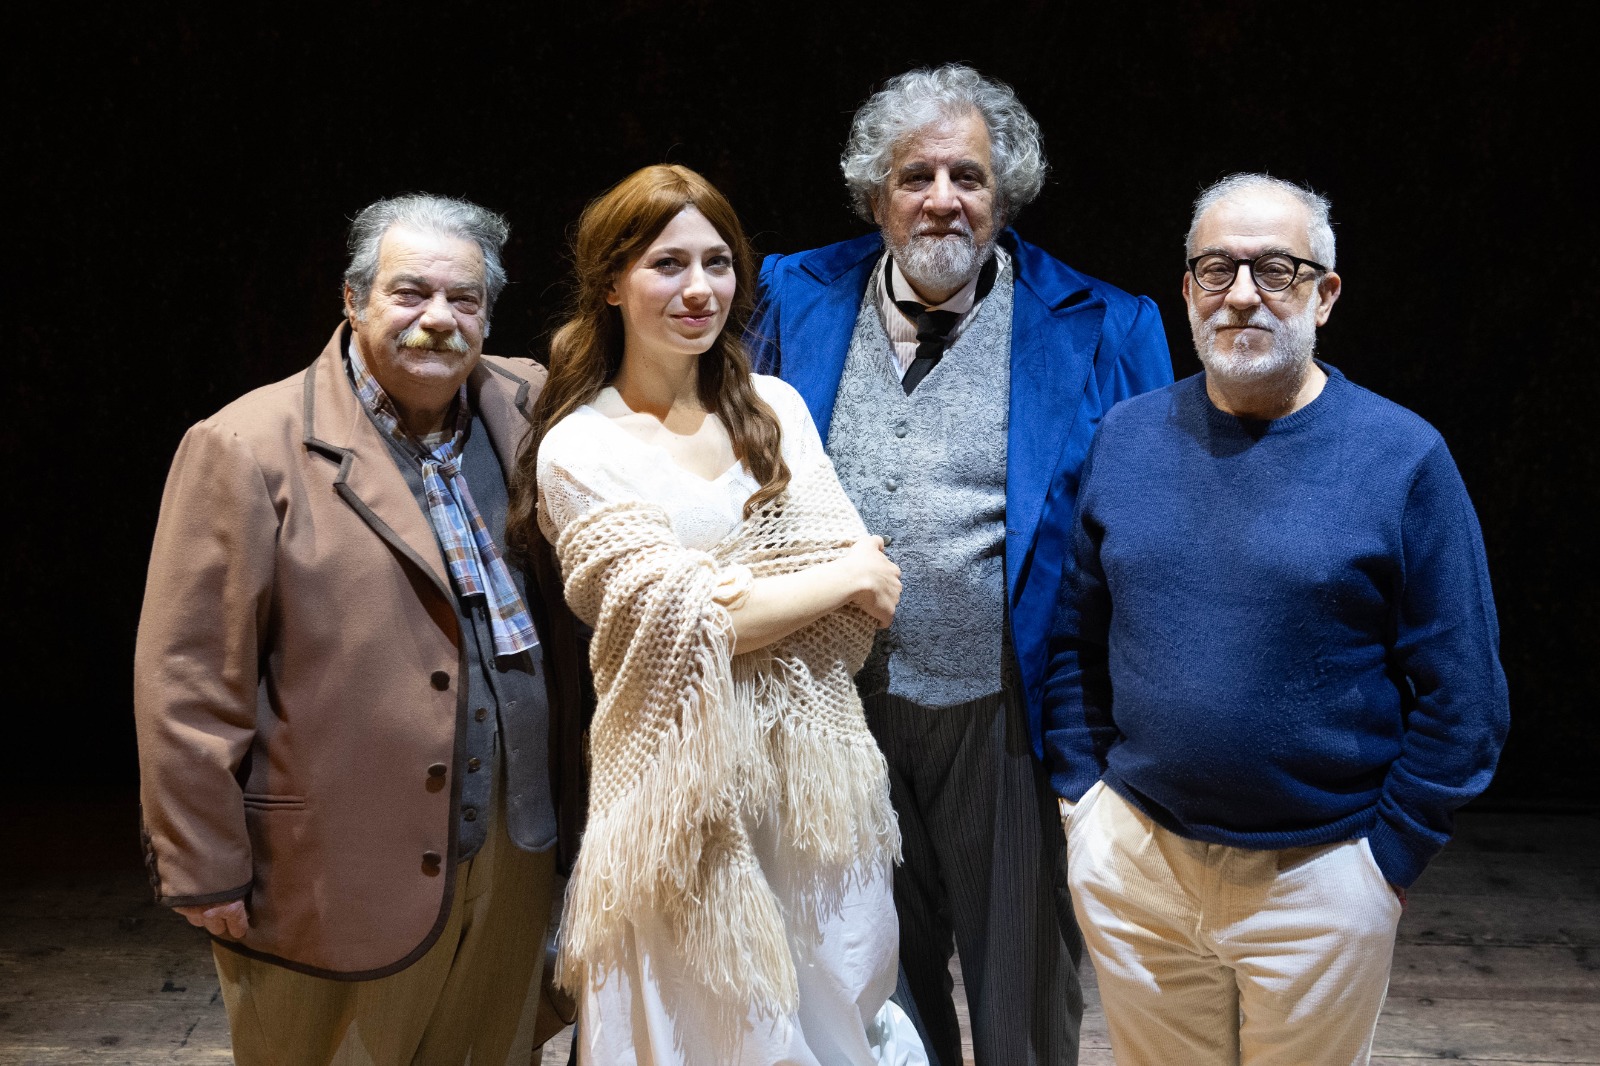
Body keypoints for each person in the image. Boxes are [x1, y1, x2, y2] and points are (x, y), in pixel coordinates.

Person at [748, 63, 1173, 1065]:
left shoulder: (1105, 324)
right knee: (865, 999)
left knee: (1022, 1002)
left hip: (1007, 721)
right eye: (917, 176)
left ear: (1003, 196)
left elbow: (1149, 543)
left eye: (968, 177)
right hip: (834, 717)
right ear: (876, 197)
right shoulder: (792, 294)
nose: (943, 199)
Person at [1045, 173, 1511, 1065]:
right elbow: (1074, 638)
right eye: (1216, 270)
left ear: (1324, 295)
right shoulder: (1127, 438)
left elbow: (1467, 698)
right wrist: (1085, 807)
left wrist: (1384, 862)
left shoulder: (1403, 457)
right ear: (1187, 291)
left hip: (1321, 879)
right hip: (1138, 864)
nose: (1242, 295)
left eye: (1276, 270)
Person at [134, 194, 585, 1065]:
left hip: (516, 846)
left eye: (463, 299)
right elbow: (187, 679)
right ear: (352, 298)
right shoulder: (246, 445)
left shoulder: (528, 405)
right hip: (333, 863)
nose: (437, 319)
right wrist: (200, 863)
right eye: (409, 292)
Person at [507, 164, 924, 1065]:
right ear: (611, 283)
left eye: (717, 262)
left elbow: (864, 612)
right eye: (667, 264)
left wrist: (741, 595)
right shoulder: (580, 444)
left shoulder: (776, 410)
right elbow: (685, 625)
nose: (699, 289)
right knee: (704, 1031)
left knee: (837, 1019)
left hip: (810, 783)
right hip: (677, 799)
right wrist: (827, 576)